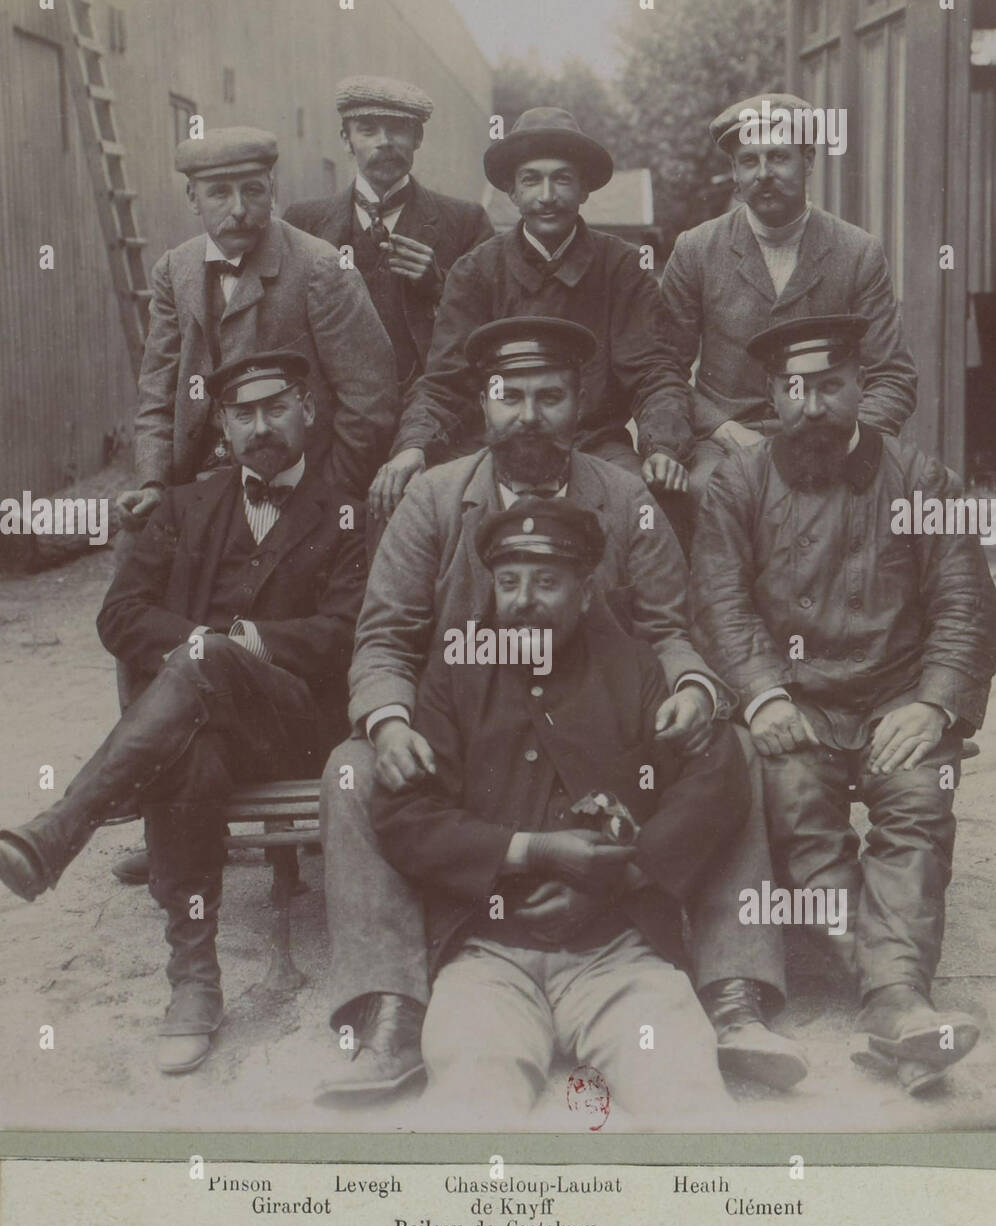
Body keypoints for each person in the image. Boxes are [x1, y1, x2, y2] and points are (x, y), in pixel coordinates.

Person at [317, 316, 804, 1099]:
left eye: (550, 396)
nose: (529, 415)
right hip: (465, 735)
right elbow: (384, 635)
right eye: (511, 397)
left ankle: (733, 991)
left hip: (604, 732)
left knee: (728, 746)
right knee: (352, 769)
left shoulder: (625, 496)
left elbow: (668, 625)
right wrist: (391, 720)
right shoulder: (435, 499)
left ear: (579, 405)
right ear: (484, 403)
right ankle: (394, 1008)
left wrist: (689, 686)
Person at [0, 352, 366, 1076]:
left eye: (275, 407)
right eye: (243, 414)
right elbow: (121, 616)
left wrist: (235, 648)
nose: (259, 426)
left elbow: (352, 629)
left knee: (203, 666)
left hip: (294, 731)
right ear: (224, 425)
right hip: (198, 729)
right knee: (188, 745)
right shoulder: (183, 507)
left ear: (308, 410)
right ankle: (194, 981)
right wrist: (203, 652)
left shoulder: (350, 509)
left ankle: (61, 830)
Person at [689, 314, 996, 1094]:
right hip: (796, 704)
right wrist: (760, 694)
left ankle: (892, 1000)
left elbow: (964, 604)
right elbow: (721, 605)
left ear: (862, 385)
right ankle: (895, 999)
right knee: (794, 806)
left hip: (898, 699)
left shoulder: (925, 481)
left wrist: (931, 707)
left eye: (831, 385)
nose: (814, 405)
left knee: (922, 801)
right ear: (770, 394)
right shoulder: (736, 483)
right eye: (795, 389)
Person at [370, 499, 749, 1126]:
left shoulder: (634, 666)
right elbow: (405, 814)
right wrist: (533, 850)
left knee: (688, 1099)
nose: (523, 599)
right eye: (508, 581)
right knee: (469, 1108)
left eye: (547, 582)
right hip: (488, 954)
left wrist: (625, 876)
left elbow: (717, 776)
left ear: (584, 590)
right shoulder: (455, 673)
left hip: (619, 954)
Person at [374, 107, 692, 529]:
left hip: (592, 443)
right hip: (493, 442)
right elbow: (444, 384)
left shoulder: (622, 267)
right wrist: (413, 446)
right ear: (512, 192)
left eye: (562, 178)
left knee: (652, 510)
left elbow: (654, 373)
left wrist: (663, 447)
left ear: (584, 190)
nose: (546, 195)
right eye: (531, 180)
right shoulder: (476, 271)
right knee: (410, 500)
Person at [117, 126, 398, 527]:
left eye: (252, 190)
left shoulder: (321, 267)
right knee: (138, 574)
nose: (238, 209)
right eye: (219, 193)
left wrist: (326, 497)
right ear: (192, 198)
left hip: (297, 489)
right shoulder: (173, 270)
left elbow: (371, 401)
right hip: (192, 488)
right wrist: (152, 482)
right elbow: (156, 394)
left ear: (272, 189)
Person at [658, 92, 917, 504]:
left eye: (779, 157)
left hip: (830, 435)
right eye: (749, 161)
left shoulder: (858, 251)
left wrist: (846, 440)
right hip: (727, 438)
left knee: (884, 501)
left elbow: (893, 377)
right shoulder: (696, 249)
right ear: (735, 173)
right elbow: (663, 370)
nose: (764, 173)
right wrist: (725, 429)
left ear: (808, 161)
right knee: (712, 495)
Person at [284, 75, 493, 399]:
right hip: (335, 411)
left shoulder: (466, 221)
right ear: (345, 139)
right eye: (368, 129)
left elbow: (490, 318)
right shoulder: (302, 223)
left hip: (430, 406)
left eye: (397, 129)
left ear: (418, 138)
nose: (384, 141)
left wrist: (439, 282)